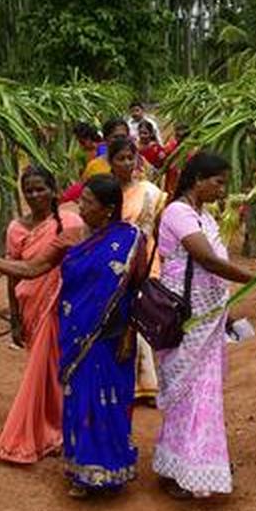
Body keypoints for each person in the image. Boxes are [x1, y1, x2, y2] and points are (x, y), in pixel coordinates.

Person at [0, 174, 148, 497]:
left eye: (87, 202)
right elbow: (32, 269)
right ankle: (84, 473)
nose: (80, 206)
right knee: (80, 399)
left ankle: (112, 469)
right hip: (77, 335)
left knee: (111, 401)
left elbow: (138, 286)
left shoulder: (131, 240)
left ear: (108, 209)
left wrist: (131, 333)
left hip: (113, 336)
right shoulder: (71, 237)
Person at [153, 152, 256, 499]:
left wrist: (229, 312)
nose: (223, 190)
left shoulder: (203, 215)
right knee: (190, 395)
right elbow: (206, 259)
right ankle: (188, 470)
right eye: (218, 182)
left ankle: (185, 464)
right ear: (197, 179)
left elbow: (211, 270)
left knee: (198, 394)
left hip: (206, 317)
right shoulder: (178, 212)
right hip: (186, 318)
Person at [0, 167, 84, 464]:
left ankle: (54, 428)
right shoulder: (16, 229)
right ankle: (45, 429)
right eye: (29, 191)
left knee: (57, 367)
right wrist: (14, 317)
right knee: (40, 367)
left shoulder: (70, 222)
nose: (34, 196)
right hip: (32, 305)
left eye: (39, 189)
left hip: (62, 304)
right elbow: (12, 273)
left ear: (53, 190)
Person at [105, 137, 167, 405]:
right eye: (121, 158)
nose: (127, 163)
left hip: (145, 260)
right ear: (111, 162)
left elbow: (158, 229)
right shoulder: (105, 192)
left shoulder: (149, 191)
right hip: (113, 262)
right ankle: (121, 381)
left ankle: (148, 385)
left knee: (142, 318)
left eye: (131, 158)